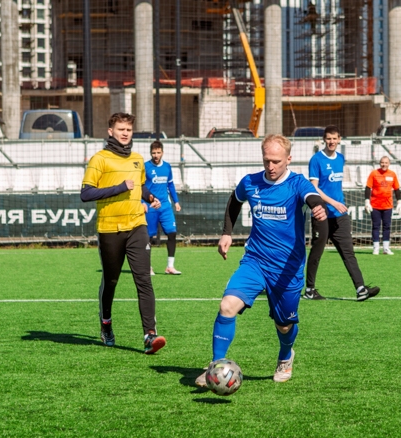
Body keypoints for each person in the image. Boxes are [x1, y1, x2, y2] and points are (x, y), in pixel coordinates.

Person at [194, 134, 327, 386]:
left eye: (277, 161)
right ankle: (215, 365)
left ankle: (285, 356)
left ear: (289, 159)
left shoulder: (297, 183)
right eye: (267, 160)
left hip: (287, 268)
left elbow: (312, 197)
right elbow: (234, 201)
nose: (271, 166)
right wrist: (226, 233)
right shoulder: (251, 182)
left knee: (284, 325)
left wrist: (317, 206)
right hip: (255, 261)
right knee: (227, 306)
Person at [80, 112, 166, 355]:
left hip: (137, 225)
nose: (125, 133)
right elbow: (86, 194)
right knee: (111, 281)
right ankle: (106, 324)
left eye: (128, 129)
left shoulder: (138, 159)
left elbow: (140, 186)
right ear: (111, 131)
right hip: (110, 229)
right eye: (121, 129)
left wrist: (149, 196)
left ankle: (150, 335)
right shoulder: (99, 159)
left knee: (144, 279)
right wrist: (120, 187)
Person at [304, 125, 380, 301]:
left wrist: (338, 204)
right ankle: (309, 290)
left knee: (348, 252)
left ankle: (361, 289)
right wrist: (333, 202)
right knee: (317, 252)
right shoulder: (316, 160)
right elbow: (314, 188)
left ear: (339, 139)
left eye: (334, 138)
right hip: (321, 213)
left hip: (340, 216)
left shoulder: (340, 158)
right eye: (328, 138)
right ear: (324, 139)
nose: (331, 142)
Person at [143, 140, 183, 275]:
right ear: (150, 153)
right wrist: (143, 202)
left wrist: (176, 201)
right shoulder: (145, 167)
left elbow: (170, 185)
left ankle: (170, 267)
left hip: (165, 206)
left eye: (158, 152)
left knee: (172, 233)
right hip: (151, 206)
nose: (156, 155)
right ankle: (147, 267)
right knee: (149, 237)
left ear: (162, 152)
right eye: (153, 153)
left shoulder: (167, 167)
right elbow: (141, 187)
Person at [364, 155, 401, 255]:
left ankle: (386, 248)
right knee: (375, 226)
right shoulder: (374, 173)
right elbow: (368, 188)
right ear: (379, 163)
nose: (384, 164)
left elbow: (397, 189)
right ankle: (376, 248)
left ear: (389, 164)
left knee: (387, 226)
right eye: (382, 162)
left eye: (386, 163)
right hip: (375, 205)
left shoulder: (392, 174)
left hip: (388, 206)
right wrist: (367, 202)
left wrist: (399, 202)